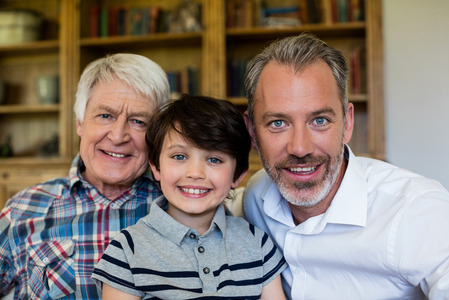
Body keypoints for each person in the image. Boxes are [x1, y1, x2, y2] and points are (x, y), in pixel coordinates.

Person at [242, 33, 449, 299]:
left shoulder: (416, 210)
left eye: (319, 120)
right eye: (278, 123)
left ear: (347, 123)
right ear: (252, 132)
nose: (300, 148)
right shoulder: (254, 197)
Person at [0, 53, 170, 299]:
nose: (118, 135)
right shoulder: (22, 210)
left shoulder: (183, 207)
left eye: (138, 121)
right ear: (80, 122)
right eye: (105, 116)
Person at [91, 94, 287, 300]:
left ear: (237, 175)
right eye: (179, 157)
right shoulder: (127, 250)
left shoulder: (258, 244)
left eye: (214, 159)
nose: (195, 173)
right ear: (156, 166)